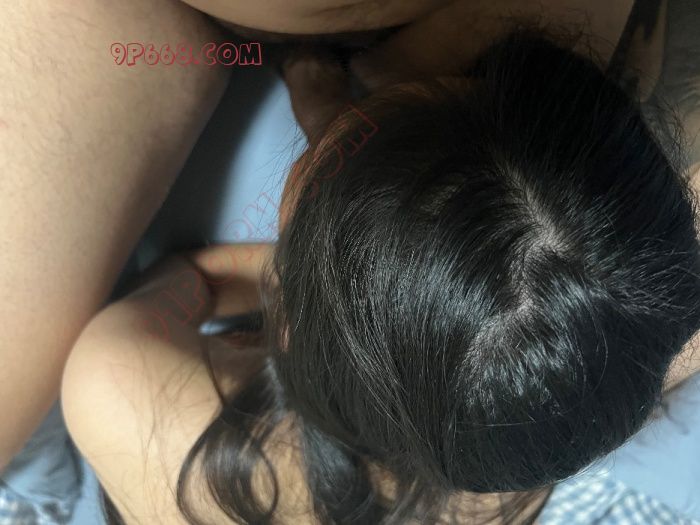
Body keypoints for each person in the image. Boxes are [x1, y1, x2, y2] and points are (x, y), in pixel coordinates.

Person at [61, 20, 700, 524]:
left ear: (285, 320)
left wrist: (309, 273)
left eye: (338, 143)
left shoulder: (117, 385)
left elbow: (189, 284)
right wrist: (336, 278)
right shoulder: (554, 421)